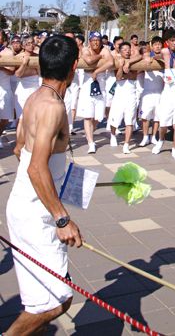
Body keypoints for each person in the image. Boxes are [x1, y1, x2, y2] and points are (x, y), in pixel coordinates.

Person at [6, 35, 82, 334]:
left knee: (48, 297)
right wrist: (62, 218)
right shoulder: (52, 106)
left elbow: (18, 149)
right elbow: (36, 167)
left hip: (29, 206)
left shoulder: (35, 97)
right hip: (35, 214)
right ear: (74, 67)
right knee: (54, 302)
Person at [77, 32, 113, 153]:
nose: (96, 42)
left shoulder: (105, 49)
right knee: (88, 116)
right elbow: (88, 60)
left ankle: (89, 134)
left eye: (98, 40)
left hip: (101, 83)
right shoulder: (86, 50)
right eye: (93, 40)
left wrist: (97, 71)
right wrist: (100, 57)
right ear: (90, 41)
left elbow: (110, 62)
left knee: (99, 116)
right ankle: (91, 142)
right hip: (88, 83)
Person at [109, 42, 140, 153]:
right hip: (119, 94)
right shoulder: (117, 60)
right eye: (124, 49)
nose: (127, 51)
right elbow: (118, 77)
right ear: (120, 51)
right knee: (115, 118)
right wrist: (121, 66)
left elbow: (140, 56)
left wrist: (128, 63)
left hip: (131, 94)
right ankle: (113, 135)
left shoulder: (135, 60)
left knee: (129, 120)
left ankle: (126, 144)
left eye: (128, 49)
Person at [138, 36, 164, 146]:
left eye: (159, 44)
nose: (158, 46)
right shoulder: (147, 56)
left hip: (160, 92)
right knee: (145, 116)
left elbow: (162, 57)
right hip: (148, 92)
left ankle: (153, 137)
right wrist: (148, 58)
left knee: (157, 117)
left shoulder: (165, 56)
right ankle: (145, 137)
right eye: (155, 44)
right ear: (152, 46)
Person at [13, 36, 40, 118]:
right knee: (21, 118)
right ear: (23, 45)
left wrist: (37, 68)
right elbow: (17, 74)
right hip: (23, 91)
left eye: (32, 43)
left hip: (36, 89)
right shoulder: (19, 57)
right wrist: (24, 64)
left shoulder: (38, 57)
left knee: (34, 117)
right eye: (28, 43)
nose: (31, 45)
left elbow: (41, 74)